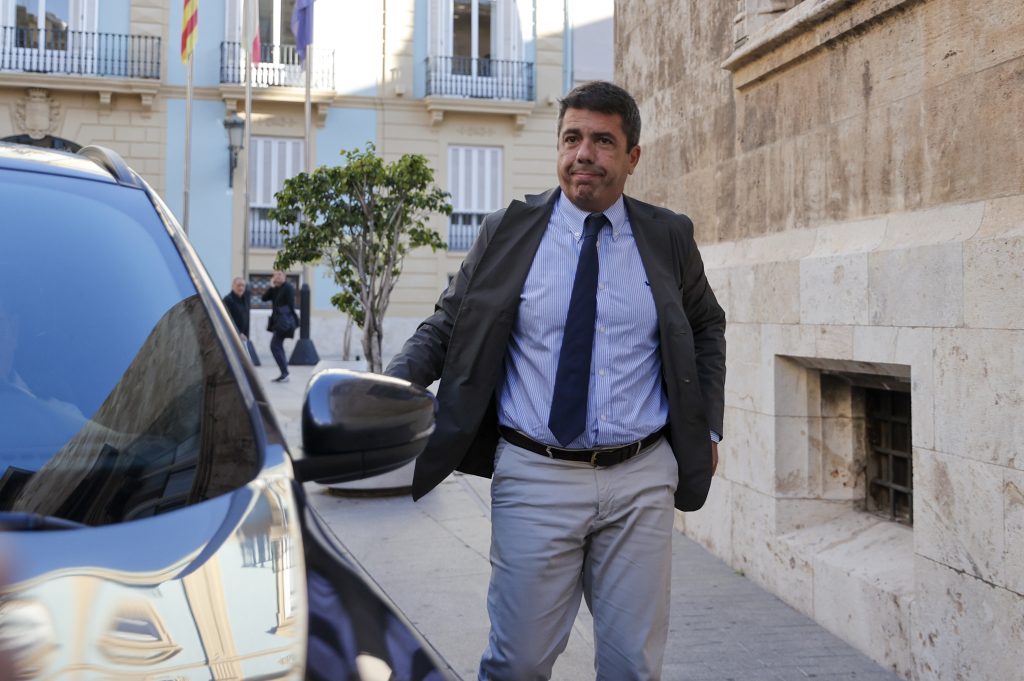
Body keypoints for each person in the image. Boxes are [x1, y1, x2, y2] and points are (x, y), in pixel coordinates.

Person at [386, 80, 726, 680]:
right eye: (572, 139)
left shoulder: (669, 236)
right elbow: (447, 324)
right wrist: (389, 391)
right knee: (516, 663)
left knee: (632, 667)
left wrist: (710, 428)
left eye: (602, 141)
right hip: (534, 475)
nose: (583, 154)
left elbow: (705, 326)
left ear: (632, 156)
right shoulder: (507, 231)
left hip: (641, 477)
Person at [261, 270, 297, 383]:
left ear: (285, 276)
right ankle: (284, 372)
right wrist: (272, 287)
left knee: (275, 345)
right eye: (275, 275)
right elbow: (264, 298)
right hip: (278, 322)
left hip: (284, 322)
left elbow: (290, 305)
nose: (277, 276)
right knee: (277, 345)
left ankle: (285, 372)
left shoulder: (288, 287)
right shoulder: (275, 289)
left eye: (280, 274)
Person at [222, 276, 251, 340]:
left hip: (244, 337)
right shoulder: (228, 300)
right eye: (238, 285)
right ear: (233, 286)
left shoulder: (245, 299)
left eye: (243, 286)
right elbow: (226, 319)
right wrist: (238, 333)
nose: (241, 288)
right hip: (233, 337)